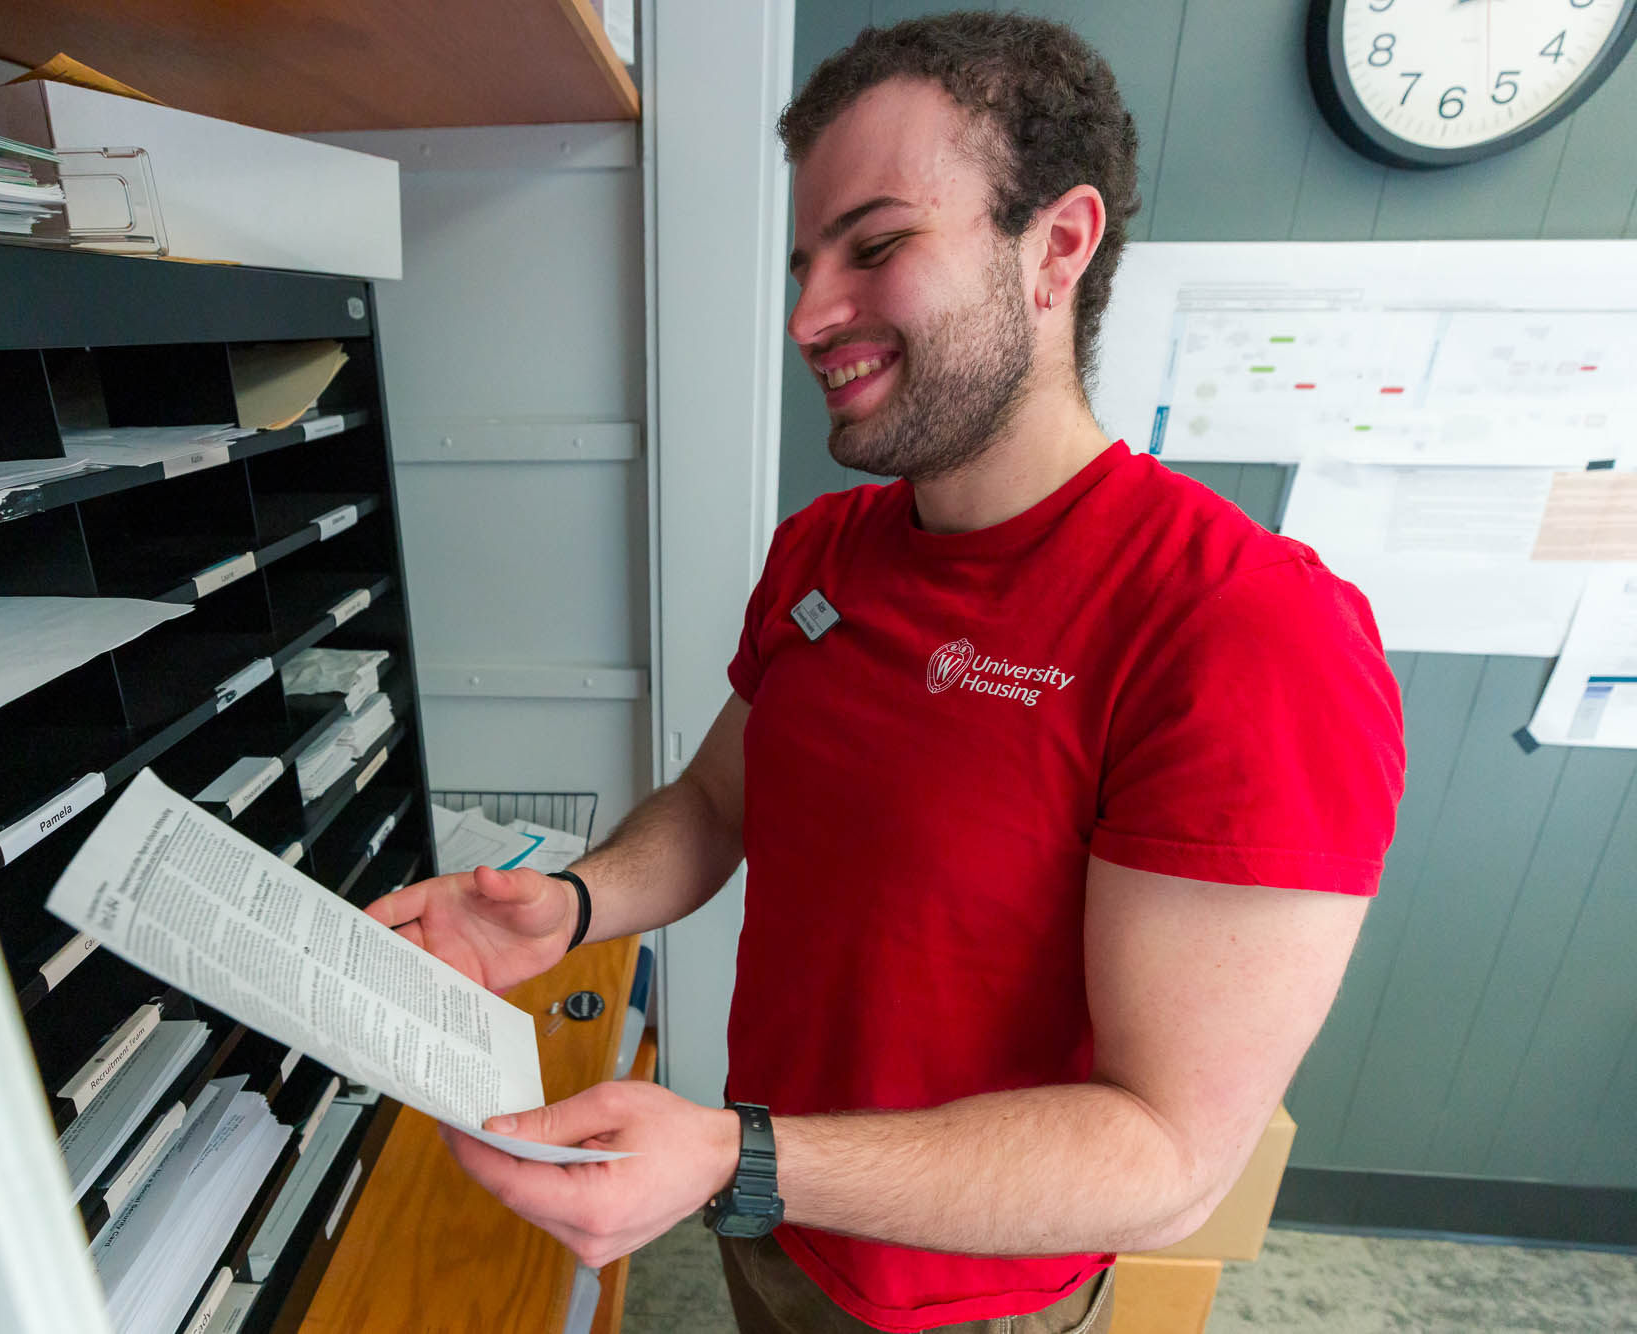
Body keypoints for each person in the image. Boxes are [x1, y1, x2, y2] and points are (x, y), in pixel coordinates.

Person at [365, 12, 1406, 1333]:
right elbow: (719, 805)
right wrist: (572, 907)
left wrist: (739, 1154)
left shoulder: (1247, 629)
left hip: (959, 1299)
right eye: (804, 262)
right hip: (771, 1216)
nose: (809, 317)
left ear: (1058, 245)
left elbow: (1168, 1159)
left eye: (875, 247)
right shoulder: (828, 549)